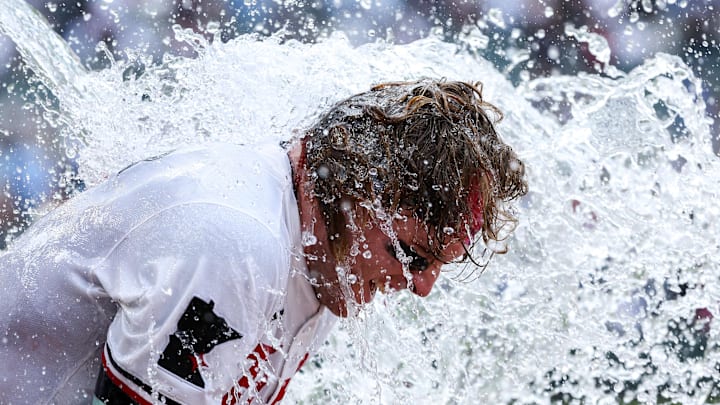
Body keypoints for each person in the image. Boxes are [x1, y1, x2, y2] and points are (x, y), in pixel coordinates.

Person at [0, 79, 527, 404]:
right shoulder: (239, 241)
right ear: (358, 189)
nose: (423, 287)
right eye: (412, 256)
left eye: (439, 266)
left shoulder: (325, 258)